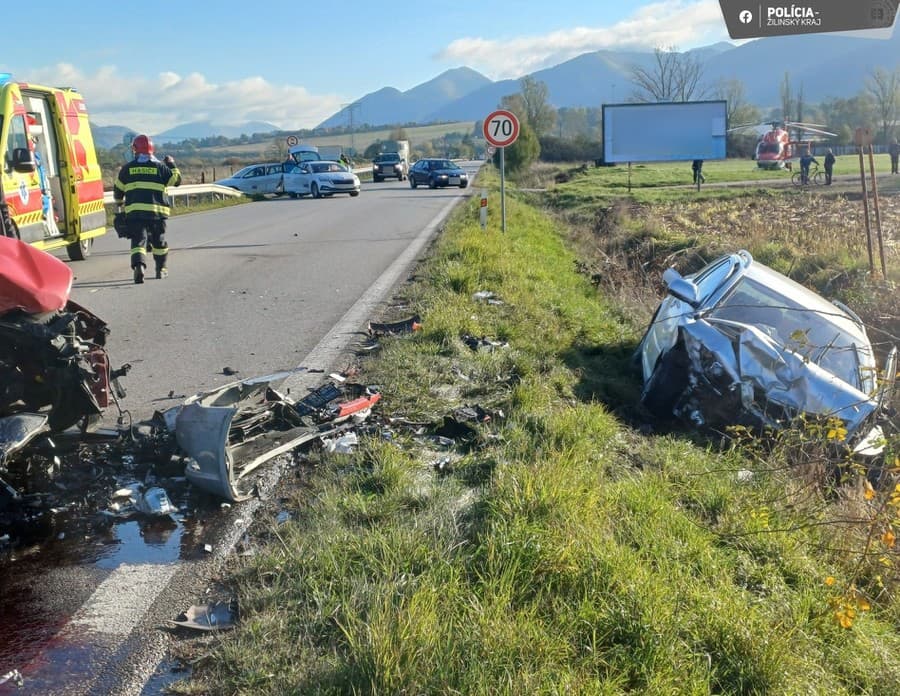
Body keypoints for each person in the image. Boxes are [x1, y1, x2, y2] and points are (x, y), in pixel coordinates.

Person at [113, 135, 182, 284]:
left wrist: (119, 204)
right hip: (157, 214)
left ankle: (139, 266)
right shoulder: (161, 168)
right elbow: (176, 181)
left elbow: (118, 190)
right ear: (152, 150)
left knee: (138, 242)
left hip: (135, 214)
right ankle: (161, 269)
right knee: (159, 242)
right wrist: (172, 164)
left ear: (135, 150)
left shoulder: (127, 169)